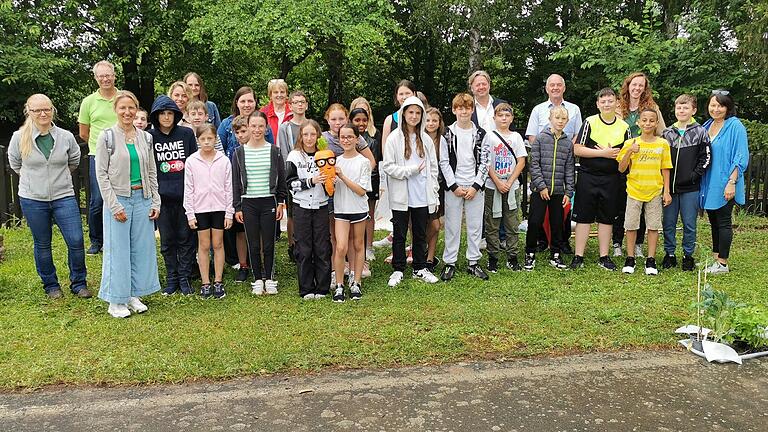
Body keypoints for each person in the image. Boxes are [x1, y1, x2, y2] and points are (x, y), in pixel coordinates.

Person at [8, 94, 89, 299]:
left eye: (47, 109)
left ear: (53, 110)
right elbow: (16, 164)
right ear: (29, 112)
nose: (43, 113)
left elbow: (74, 161)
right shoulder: (19, 137)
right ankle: (51, 285)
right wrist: (36, 181)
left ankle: (78, 283)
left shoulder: (65, 136)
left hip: (63, 196)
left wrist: (55, 179)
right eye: (37, 110)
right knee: (42, 243)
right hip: (33, 198)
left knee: (76, 240)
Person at [95, 90, 161, 318]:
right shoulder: (107, 137)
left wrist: (155, 200)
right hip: (119, 199)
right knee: (118, 250)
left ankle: (133, 294)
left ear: (136, 109)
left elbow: (151, 171)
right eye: (122, 108)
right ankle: (115, 300)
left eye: (131, 108)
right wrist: (114, 206)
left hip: (142, 198)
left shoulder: (146, 137)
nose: (127, 112)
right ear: (115, 110)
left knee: (141, 250)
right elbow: (101, 174)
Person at [381, 96, 440, 287]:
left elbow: (433, 168)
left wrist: (434, 190)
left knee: (420, 232)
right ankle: (398, 268)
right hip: (400, 195)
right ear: (403, 113)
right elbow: (388, 167)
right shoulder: (393, 139)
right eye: (410, 112)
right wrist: (411, 171)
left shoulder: (426, 139)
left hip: (421, 194)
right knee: (399, 232)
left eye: (417, 113)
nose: (414, 116)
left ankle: (419, 267)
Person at [570, 88, 630, 270]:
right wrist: (603, 153)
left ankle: (604, 256)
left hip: (612, 179)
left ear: (617, 103)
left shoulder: (624, 127)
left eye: (610, 101)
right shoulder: (590, 122)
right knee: (584, 217)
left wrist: (617, 155)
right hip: (588, 176)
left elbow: (626, 156)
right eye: (603, 101)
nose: (606, 104)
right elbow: (577, 149)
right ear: (597, 104)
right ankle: (578, 256)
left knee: (606, 218)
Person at [525, 74, 582, 254]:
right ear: (547, 88)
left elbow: (578, 134)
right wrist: (545, 151)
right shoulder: (538, 109)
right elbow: (532, 136)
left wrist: (566, 147)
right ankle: (539, 243)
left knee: (560, 216)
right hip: (543, 165)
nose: (555, 87)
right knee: (538, 215)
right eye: (552, 85)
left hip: (564, 163)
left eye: (559, 85)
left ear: (564, 88)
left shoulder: (574, 109)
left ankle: (561, 244)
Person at [232, 112, 288, 295]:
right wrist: (237, 207)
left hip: (268, 201)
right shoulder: (239, 153)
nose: (256, 130)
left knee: (269, 243)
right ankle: (257, 278)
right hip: (248, 202)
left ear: (266, 128)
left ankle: (270, 278)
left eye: (260, 126)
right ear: (248, 127)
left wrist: (281, 201)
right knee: (253, 243)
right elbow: (235, 182)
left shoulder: (274, 151)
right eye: (253, 126)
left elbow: (281, 179)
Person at [149, 95, 198, 296]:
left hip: (185, 197)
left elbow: (194, 164)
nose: (167, 117)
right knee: (167, 241)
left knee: (186, 239)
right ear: (156, 116)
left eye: (170, 113)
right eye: (162, 114)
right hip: (162, 199)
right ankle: (172, 277)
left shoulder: (186, 134)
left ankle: (185, 278)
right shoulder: (149, 137)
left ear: (176, 115)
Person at [613, 72, 667, 257]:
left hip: (645, 163)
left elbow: (662, 132)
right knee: (622, 205)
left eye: (641, 85)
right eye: (634, 84)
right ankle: (617, 242)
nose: (637, 88)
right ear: (628, 86)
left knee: (645, 205)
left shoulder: (652, 107)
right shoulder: (618, 107)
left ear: (645, 88)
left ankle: (638, 244)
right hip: (623, 159)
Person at [439, 93, 490, 281]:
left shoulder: (481, 134)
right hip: (454, 187)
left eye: (467, 108)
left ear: (472, 110)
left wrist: (476, 186)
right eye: (460, 108)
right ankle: (449, 262)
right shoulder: (447, 134)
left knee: (475, 225)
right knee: (452, 225)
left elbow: (485, 162)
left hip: (475, 187)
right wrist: (453, 186)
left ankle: (473, 262)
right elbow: (443, 162)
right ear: (454, 110)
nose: (464, 111)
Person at [616, 109, 672, 275]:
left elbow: (666, 168)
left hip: (655, 191)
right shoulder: (631, 143)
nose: (648, 123)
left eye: (651, 121)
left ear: (656, 123)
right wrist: (629, 151)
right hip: (634, 191)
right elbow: (621, 168)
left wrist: (667, 191)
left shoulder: (662, 144)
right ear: (638, 123)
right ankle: (630, 258)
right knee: (631, 225)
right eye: (644, 120)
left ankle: (651, 259)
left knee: (653, 226)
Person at [700, 90, 749, 274]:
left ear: (728, 107)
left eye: (720, 105)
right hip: (709, 182)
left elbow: (741, 155)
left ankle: (723, 263)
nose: (716, 109)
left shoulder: (735, 126)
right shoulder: (707, 125)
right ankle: (715, 258)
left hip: (727, 180)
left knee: (723, 221)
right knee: (713, 221)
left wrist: (732, 181)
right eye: (713, 105)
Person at [660, 94, 711, 271]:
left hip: (690, 188)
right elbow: (660, 160)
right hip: (670, 189)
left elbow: (706, 157)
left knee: (689, 223)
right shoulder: (667, 133)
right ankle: (670, 254)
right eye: (679, 108)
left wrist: (694, 175)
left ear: (693, 110)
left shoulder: (700, 132)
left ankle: (688, 255)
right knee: (668, 222)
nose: (681, 111)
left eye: (685, 108)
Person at [184, 124, 233, 299]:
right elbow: (188, 189)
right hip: (200, 209)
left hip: (220, 208)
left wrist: (229, 212)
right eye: (203, 139)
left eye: (210, 139)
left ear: (215, 139)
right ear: (198, 141)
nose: (206, 142)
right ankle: (206, 282)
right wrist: (190, 213)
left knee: (218, 244)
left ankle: (218, 281)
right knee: (204, 245)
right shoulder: (191, 161)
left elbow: (229, 187)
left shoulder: (223, 160)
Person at [286, 120, 332, 299]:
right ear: (301, 136)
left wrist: (331, 181)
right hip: (301, 206)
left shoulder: (325, 154)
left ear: (318, 136)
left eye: (313, 134)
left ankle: (322, 287)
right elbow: (290, 184)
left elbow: (331, 176)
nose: (309, 138)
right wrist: (310, 181)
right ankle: (306, 288)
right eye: (305, 134)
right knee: (304, 248)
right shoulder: (294, 156)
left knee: (322, 247)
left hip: (321, 206)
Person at [524, 106, 575, 271]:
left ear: (567, 121)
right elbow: (534, 164)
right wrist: (541, 186)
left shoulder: (568, 143)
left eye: (563, 119)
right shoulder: (540, 138)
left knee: (557, 223)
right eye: (557, 118)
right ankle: (530, 252)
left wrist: (569, 191)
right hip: (540, 190)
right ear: (550, 119)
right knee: (535, 221)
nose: (560, 121)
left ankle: (556, 253)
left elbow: (569, 168)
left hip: (558, 191)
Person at [79, 60, 119, 255]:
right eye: (101, 76)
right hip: (98, 156)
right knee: (97, 200)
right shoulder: (88, 102)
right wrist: (101, 146)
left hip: (122, 156)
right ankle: (96, 241)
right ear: (95, 78)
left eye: (108, 75)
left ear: (114, 75)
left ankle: (117, 237)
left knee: (122, 197)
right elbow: (84, 133)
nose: (105, 79)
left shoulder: (123, 98)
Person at [484, 103, 527, 272]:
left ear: (512, 118)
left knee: (511, 223)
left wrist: (509, 182)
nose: (503, 118)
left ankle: (512, 257)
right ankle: (493, 257)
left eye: (507, 116)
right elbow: (485, 162)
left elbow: (521, 161)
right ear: (494, 118)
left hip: (512, 185)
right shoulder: (489, 136)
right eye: (500, 116)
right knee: (492, 222)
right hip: (492, 185)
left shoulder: (516, 137)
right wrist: (497, 181)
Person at [331, 123, 372, 302]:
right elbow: (330, 189)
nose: (346, 140)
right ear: (338, 140)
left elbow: (362, 190)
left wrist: (342, 177)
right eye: (343, 137)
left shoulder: (363, 162)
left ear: (357, 139)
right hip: (341, 209)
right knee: (341, 247)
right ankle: (339, 284)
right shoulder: (335, 161)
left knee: (358, 245)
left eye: (350, 137)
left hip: (359, 209)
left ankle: (356, 282)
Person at [375, 80, 417, 250]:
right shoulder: (390, 120)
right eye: (401, 93)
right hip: (396, 172)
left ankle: (415, 245)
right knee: (397, 209)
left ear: (414, 95)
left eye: (407, 93)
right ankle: (396, 239)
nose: (404, 96)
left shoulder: (419, 117)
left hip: (415, 172)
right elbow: (385, 148)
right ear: (396, 97)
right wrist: (393, 169)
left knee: (415, 210)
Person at [277, 91, 310, 263]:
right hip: (292, 173)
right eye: (296, 102)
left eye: (302, 102)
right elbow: (283, 152)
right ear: (290, 105)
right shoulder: (285, 128)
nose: (299, 105)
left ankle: (306, 242)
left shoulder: (311, 125)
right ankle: (292, 245)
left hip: (309, 173)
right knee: (292, 213)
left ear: (306, 105)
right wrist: (285, 177)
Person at [349, 97, 382, 265]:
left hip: (370, 180)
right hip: (350, 183)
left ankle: (368, 246)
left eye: (365, 116)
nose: (361, 122)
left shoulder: (374, 136)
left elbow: (374, 162)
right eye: (357, 117)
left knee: (369, 214)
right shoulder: (346, 137)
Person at [219, 86, 275, 159]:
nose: (246, 105)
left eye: (250, 101)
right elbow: (218, 151)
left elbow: (271, 151)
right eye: (243, 101)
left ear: (255, 102)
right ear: (237, 103)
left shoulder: (264, 124)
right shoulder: (226, 124)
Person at [228, 115, 252, 282]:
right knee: (241, 233)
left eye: (244, 131)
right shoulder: (234, 152)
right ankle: (243, 265)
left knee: (258, 234)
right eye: (237, 132)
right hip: (240, 197)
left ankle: (260, 265)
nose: (241, 135)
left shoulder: (264, 149)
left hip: (258, 196)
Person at [424, 107, 446, 272]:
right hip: (421, 187)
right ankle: (420, 252)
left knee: (436, 225)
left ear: (439, 123)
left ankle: (430, 257)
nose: (431, 123)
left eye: (434, 121)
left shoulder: (443, 140)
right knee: (419, 223)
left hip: (438, 188)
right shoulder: (418, 138)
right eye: (428, 120)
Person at [261, 78, 292, 146]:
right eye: (275, 92)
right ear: (270, 95)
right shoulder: (263, 113)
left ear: (286, 94)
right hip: (269, 153)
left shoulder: (293, 111)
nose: (279, 95)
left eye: (282, 92)